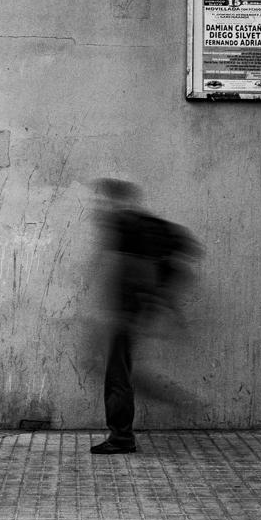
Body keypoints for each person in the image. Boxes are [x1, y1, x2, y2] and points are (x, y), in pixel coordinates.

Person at [90, 180, 199, 455]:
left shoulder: (126, 224)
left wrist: (129, 312)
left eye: (105, 199)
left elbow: (133, 270)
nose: (101, 204)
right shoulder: (140, 224)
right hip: (129, 312)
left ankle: (122, 437)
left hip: (125, 314)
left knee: (118, 376)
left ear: (117, 200)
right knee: (120, 373)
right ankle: (124, 433)